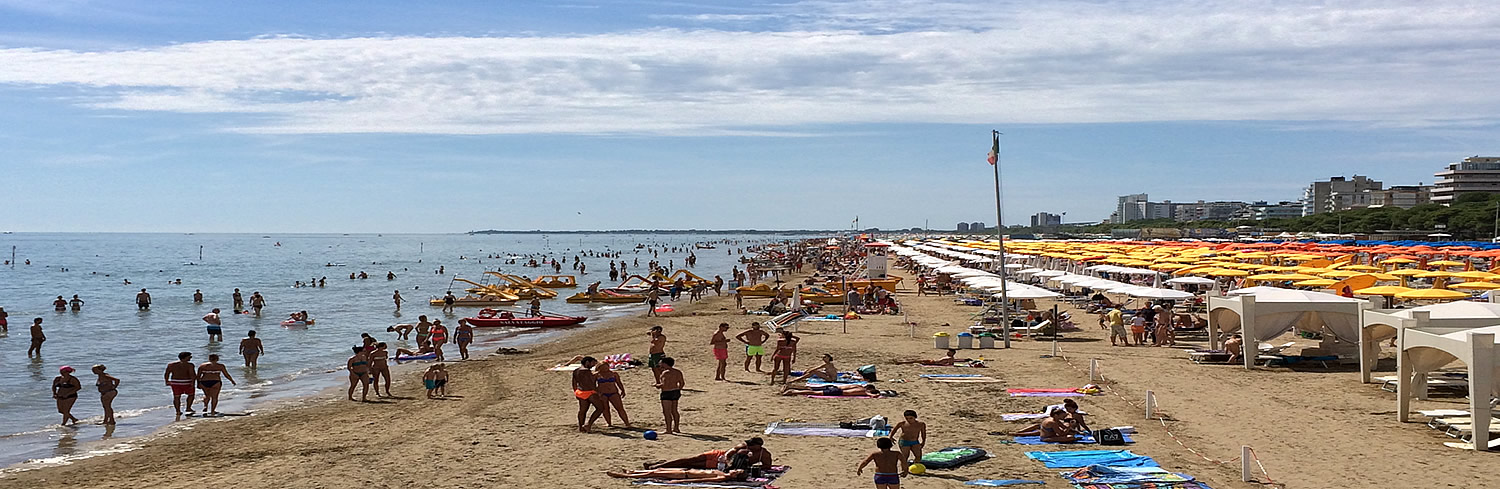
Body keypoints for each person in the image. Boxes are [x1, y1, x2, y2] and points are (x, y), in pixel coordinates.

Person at [572, 356, 606, 432]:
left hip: (580, 392)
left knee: (582, 411)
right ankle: (588, 424)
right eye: (592, 363)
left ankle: (581, 427)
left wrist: (576, 392)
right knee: (600, 408)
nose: (593, 365)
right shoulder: (586, 371)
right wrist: (598, 392)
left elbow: (574, 383)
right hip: (589, 392)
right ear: (587, 362)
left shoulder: (576, 371)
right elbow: (590, 383)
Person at [594, 360, 630, 428]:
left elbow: (618, 382)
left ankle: (627, 423)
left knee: (620, 408)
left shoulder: (614, 374)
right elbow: (593, 385)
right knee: (605, 409)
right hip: (603, 394)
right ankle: (608, 423)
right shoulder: (596, 375)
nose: (605, 369)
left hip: (613, 393)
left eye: (606, 367)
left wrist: (622, 390)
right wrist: (597, 393)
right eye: (603, 367)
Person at [656, 357, 684, 434]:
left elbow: (664, 384)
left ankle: (668, 429)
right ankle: (676, 428)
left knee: (667, 412)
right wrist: (678, 389)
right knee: (674, 411)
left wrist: (657, 385)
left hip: (667, 393)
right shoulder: (678, 372)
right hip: (675, 392)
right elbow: (681, 383)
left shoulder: (666, 373)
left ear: (665, 363)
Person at [604, 469, 747, 483]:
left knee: (654, 473)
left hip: (685, 475)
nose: (736, 470)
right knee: (659, 469)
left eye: (737, 472)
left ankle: (624, 476)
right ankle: (633, 472)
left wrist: (679, 481)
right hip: (685, 470)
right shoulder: (723, 472)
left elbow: (705, 479)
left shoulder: (723, 477)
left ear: (735, 476)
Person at [780, 383, 880, 397]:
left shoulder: (858, 385)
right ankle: (793, 392)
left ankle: (791, 386)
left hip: (835, 387)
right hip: (837, 392)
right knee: (813, 392)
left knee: (810, 388)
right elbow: (873, 396)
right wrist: (877, 394)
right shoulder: (864, 392)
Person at [895, 349, 963, 366]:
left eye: (949, 352)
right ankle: (902, 362)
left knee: (917, 361)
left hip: (933, 362)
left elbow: (950, 364)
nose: (947, 352)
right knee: (917, 361)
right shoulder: (949, 357)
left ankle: (901, 362)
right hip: (933, 362)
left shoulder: (950, 358)